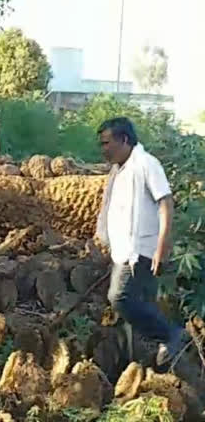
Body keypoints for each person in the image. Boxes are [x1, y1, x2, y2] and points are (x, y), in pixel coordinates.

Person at [95, 117, 186, 366]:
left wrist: (161, 247)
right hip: (123, 252)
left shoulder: (146, 164)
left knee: (120, 297)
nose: (103, 149)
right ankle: (145, 367)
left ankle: (170, 334)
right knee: (136, 307)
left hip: (142, 250)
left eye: (107, 143)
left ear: (124, 140)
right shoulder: (120, 171)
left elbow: (165, 203)